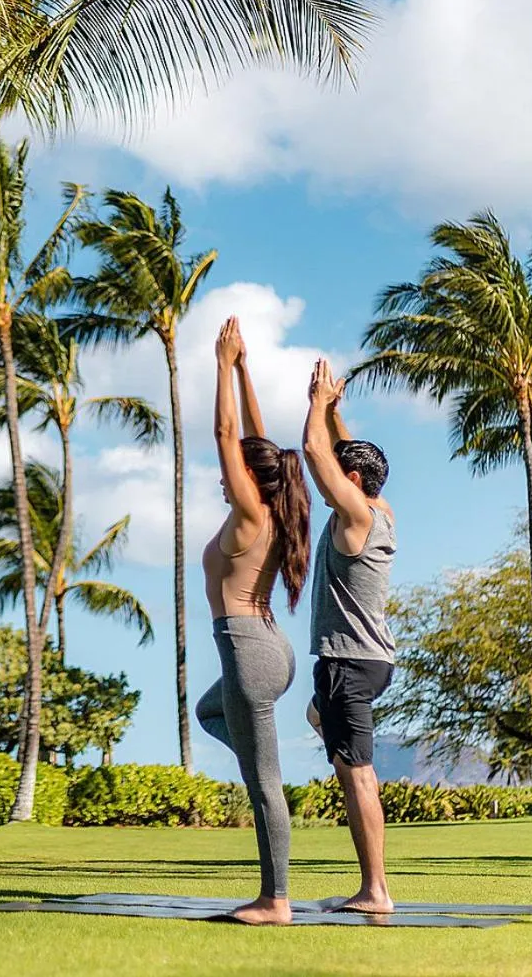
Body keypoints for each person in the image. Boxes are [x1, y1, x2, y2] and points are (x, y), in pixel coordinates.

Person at [196, 317, 312, 926]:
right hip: (269, 649)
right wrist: (244, 370)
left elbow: (226, 433)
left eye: (236, 471)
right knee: (208, 715)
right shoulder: (277, 506)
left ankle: (276, 900)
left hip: (248, 653)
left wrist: (218, 364)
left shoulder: (249, 514)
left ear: (250, 480)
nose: (225, 475)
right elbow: (258, 441)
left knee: (263, 781)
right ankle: (276, 892)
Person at [301, 358, 397, 914]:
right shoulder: (382, 509)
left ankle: (374, 890)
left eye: (343, 477)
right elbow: (344, 455)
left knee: (356, 772)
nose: (332, 484)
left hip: (347, 661)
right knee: (325, 722)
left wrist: (315, 402)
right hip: (373, 661)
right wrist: (337, 413)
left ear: (354, 483)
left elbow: (317, 456)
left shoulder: (357, 514)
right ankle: (331, 732)